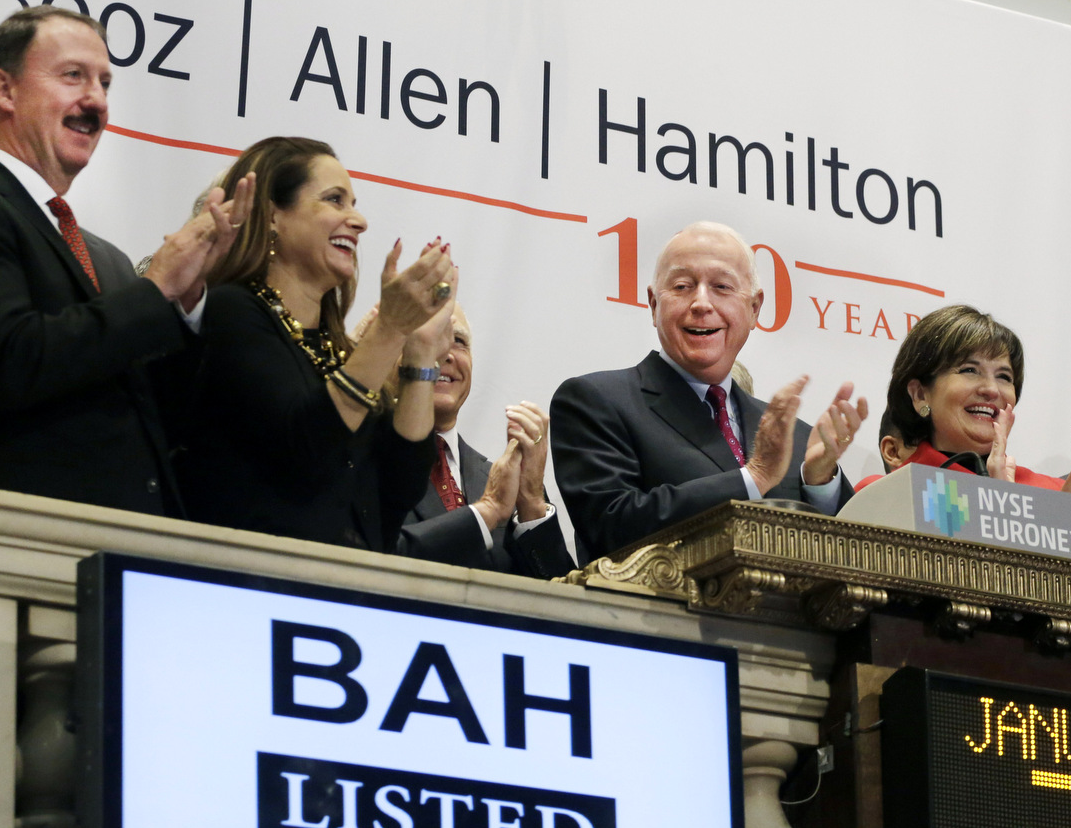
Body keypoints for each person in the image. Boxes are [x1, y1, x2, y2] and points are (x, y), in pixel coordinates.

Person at [0, 6, 248, 516]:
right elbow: (11, 362)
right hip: (23, 542)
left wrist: (187, 302)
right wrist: (154, 288)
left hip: (131, 553)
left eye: (105, 83)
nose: (96, 100)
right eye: (73, 76)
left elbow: (162, 418)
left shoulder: (105, 259)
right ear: (4, 91)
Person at [169, 136, 451, 551]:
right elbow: (304, 450)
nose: (358, 221)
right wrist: (388, 329)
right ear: (271, 215)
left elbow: (401, 488)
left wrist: (420, 355)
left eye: (353, 203)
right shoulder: (231, 313)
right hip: (255, 584)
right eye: (335, 200)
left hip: (351, 589)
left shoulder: (339, 351)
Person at [551, 221, 869, 563]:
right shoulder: (595, 401)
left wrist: (819, 482)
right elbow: (611, 528)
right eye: (683, 286)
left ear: (754, 309)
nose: (701, 303)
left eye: (721, 286)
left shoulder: (795, 437)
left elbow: (854, 563)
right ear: (654, 304)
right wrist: (755, 476)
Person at [393, 302, 576, 578]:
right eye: (430, 336)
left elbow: (563, 600)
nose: (447, 354)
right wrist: (487, 511)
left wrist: (532, 504)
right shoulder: (357, 459)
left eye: (458, 341)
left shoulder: (504, 481)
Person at [868, 305, 1071, 493]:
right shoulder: (887, 493)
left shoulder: (1054, 493)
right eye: (970, 370)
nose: (992, 390)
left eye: (1004, 376)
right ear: (921, 395)